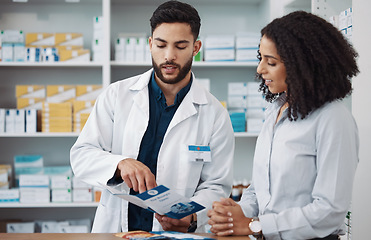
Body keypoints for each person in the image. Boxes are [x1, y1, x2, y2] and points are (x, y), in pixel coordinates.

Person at [70, 0, 234, 234]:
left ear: (196, 47)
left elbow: (216, 185)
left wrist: (192, 215)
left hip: (178, 233)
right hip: (117, 229)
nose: (169, 56)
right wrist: (119, 164)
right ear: (150, 44)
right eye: (161, 45)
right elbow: (81, 156)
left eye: (180, 46)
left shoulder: (215, 114)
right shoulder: (117, 96)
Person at [207, 11, 359, 240]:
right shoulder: (275, 112)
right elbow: (260, 190)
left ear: (302, 64)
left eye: (271, 62)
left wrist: (254, 226)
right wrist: (238, 212)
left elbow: (329, 212)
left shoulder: (333, 118)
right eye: (260, 58)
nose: (260, 69)